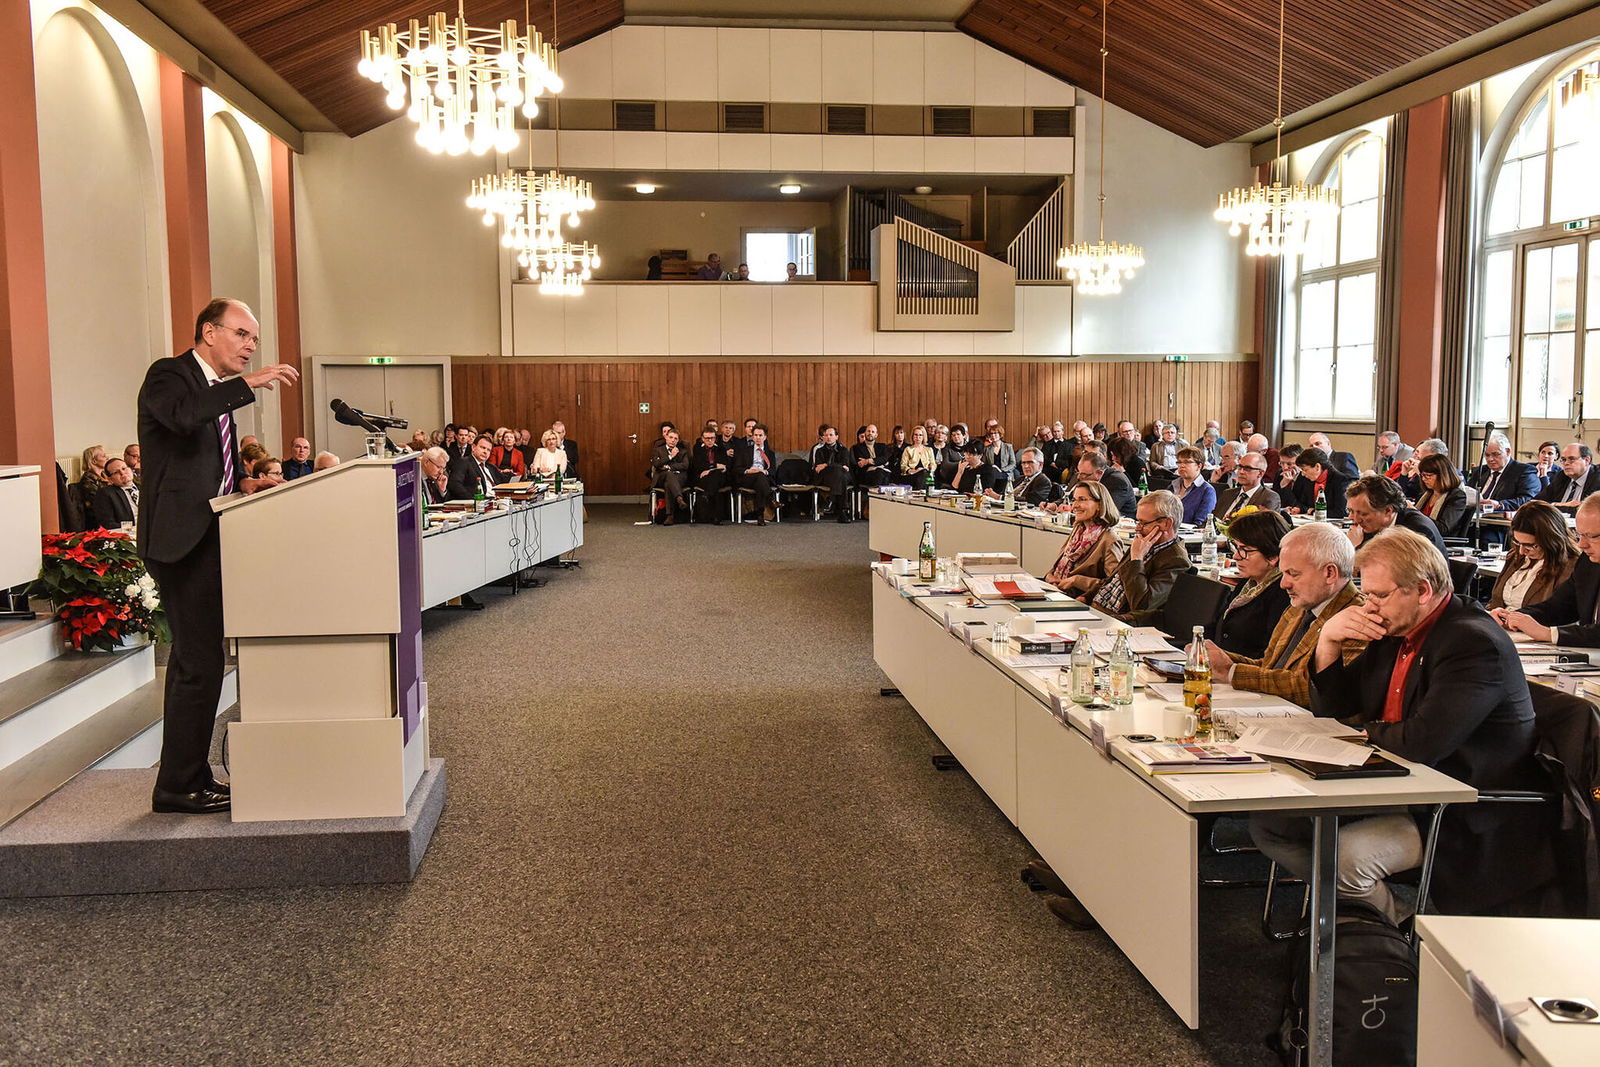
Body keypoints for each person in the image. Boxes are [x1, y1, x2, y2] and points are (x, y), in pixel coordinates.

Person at [1255, 529, 1548, 920]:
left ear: (1422, 591)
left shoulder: (1472, 643)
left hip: (1463, 807)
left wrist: (1363, 736)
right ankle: (1382, 919)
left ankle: (1400, 934)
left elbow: (1423, 742)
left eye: (1379, 595)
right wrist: (1328, 643)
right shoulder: (1397, 626)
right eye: (1367, 594)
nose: (1369, 607)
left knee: (1347, 859)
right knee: (1271, 825)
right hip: (1403, 783)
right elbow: (1338, 707)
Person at [137, 298, 299, 814]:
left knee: (200, 661)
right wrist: (245, 385)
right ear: (209, 332)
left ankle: (189, 776)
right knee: (199, 663)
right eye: (242, 334)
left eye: (255, 339)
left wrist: (241, 484)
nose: (251, 346)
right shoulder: (170, 375)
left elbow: (201, 467)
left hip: (210, 534)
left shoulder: (214, 392)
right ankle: (177, 786)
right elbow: (182, 419)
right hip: (180, 540)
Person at [1199, 522, 1364, 705]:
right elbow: (1269, 666)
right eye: (1283, 573)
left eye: (1293, 574)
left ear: (1330, 573)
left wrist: (1232, 672)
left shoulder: (1357, 619)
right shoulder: (1300, 605)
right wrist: (1222, 659)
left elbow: (1317, 690)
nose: (1283, 584)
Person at [1497, 493, 1600, 645]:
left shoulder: (1576, 561)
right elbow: (1559, 607)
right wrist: (1511, 617)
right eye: (1580, 535)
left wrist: (1547, 633)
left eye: (1591, 536)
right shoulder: (1588, 562)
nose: (1581, 544)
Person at [1091, 490, 1190, 624]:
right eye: (1138, 522)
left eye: (1143, 523)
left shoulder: (1177, 561)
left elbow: (1142, 605)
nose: (1137, 528)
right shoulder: (1144, 543)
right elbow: (1112, 581)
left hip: (1117, 622)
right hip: (1095, 609)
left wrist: (1137, 559)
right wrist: (1085, 598)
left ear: (1166, 524)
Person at [1210, 510, 1293, 660]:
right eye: (1236, 547)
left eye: (1245, 550)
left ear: (1273, 556)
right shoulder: (1248, 583)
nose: (1236, 556)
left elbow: (1268, 656)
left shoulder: (1283, 595)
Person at [1486, 501, 1578, 611]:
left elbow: (1559, 614)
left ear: (1551, 540)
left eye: (1530, 545)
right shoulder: (1515, 555)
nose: (1522, 551)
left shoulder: (1570, 567)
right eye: (1517, 542)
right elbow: (1494, 601)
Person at [1042, 482, 1122, 598]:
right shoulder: (1079, 530)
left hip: (1080, 600)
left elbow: (1115, 587)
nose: (1074, 505)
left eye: (1082, 500)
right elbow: (1060, 564)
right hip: (1057, 592)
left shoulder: (1110, 540)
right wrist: (1049, 576)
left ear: (1099, 505)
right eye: (1074, 500)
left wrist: (1077, 581)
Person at [1344, 473, 1448, 554]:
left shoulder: (1418, 531)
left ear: (1388, 511)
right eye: (1350, 511)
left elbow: (1393, 572)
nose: (1353, 519)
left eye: (1362, 513)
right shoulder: (1368, 526)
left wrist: (1353, 547)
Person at [1467, 432, 1540, 513]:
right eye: (1487, 455)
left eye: (1495, 454)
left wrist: (1500, 505)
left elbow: (1527, 500)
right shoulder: (1480, 471)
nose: (1490, 459)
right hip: (1473, 516)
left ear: (1507, 451)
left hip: (1500, 518)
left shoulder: (1524, 471)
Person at [1286, 447, 1353, 518]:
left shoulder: (1341, 480)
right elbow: (1303, 503)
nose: (1302, 474)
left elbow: (1341, 512)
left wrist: (1314, 511)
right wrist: (1299, 508)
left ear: (1317, 467)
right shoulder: (1307, 479)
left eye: (1305, 470)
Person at [1413, 453, 1469, 538]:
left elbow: (1444, 529)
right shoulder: (1425, 494)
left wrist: (1415, 513)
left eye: (1428, 475)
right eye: (1422, 475)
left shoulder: (1456, 496)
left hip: (1437, 540)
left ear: (1443, 475)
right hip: (1420, 537)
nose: (1423, 479)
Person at [1212, 451, 1281, 520]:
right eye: (1240, 467)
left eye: (1247, 469)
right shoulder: (1228, 493)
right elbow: (1213, 519)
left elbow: (1265, 525)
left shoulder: (1269, 497)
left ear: (1260, 473)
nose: (1241, 472)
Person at [1535, 442, 1600, 510]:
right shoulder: (1562, 476)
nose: (1566, 463)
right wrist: (1559, 504)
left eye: (1571, 459)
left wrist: (1555, 507)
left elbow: (1591, 510)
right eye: (1564, 460)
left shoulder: (1597, 479)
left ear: (1586, 460)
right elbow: (1536, 502)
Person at [1070, 451, 1136, 518]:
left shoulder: (1117, 482)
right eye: (1078, 472)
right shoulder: (1085, 476)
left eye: (1084, 474)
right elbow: (1071, 498)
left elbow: (1107, 511)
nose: (1079, 477)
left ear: (1099, 473)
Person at [734, 423, 776, 525]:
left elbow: (773, 470)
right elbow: (737, 468)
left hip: (762, 479)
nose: (757, 438)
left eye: (760, 435)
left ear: (765, 437)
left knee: (760, 480)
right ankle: (770, 499)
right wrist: (748, 470)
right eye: (755, 435)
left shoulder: (770, 453)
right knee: (760, 477)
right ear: (752, 437)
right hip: (747, 478)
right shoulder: (744, 451)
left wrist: (765, 471)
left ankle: (760, 516)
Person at [809, 424, 853, 523]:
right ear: (823, 437)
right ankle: (842, 510)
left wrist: (826, 465)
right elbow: (818, 468)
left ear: (836, 437)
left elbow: (845, 465)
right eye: (826, 435)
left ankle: (832, 500)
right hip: (826, 477)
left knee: (839, 474)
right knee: (839, 473)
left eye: (831, 435)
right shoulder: (819, 451)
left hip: (841, 475)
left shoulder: (843, 450)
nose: (828, 437)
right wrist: (836, 466)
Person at [689, 427, 730, 523]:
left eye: (712, 438)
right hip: (703, 477)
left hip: (720, 476)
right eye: (707, 438)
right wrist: (715, 466)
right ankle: (717, 517)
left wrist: (710, 469)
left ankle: (706, 496)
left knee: (715, 475)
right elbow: (698, 465)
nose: (710, 440)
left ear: (715, 438)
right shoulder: (698, 448)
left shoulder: (721, 448)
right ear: (702, 438)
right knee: (714, 484)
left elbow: (724, 465)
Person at [650, 428, 689, 524]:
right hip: (661, 477)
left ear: (678, 440)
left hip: (678, 478)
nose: (673, 440)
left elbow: (685, 465)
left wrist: (669, 467)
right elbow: (656, 464)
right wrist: (670, 456)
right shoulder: (658, 450)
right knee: (668, 475)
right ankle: (679, 498)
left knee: (668, 484)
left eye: (675, 438)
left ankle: (669, 516)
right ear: (666, 438)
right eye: (671, 437)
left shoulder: (683, 451)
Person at [1171, 446, 1216, 526]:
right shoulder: (1172, 486)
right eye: (1179, 462)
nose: (1182, 465)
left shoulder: (1207, 491)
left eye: (1187, 462)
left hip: (1190, 532)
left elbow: (1200, 524)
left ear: (1199, 466)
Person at [90, 456, 139, 529]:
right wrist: (132, 528)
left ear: (130, 469)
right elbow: (108, 524)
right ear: (110, 479)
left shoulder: (145, 487)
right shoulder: (105, 494)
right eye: (116, 472)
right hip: (129, 532)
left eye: (124, 468)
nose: (122, 473)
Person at [448, 434, 501, 499]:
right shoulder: (464, 462)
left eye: (488, 450)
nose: (485, 452)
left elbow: (503, 482)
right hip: (478, 501)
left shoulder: (491, 468)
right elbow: (455, 484)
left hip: (498, 500)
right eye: (483, 448)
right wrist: (474, 500)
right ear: (473, 447)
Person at [851, 424, 893, 488]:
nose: (870, 433)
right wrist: (878, 462)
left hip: (883, 472)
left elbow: (884, 459)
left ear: (876, 435)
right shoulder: (857, 447)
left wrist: (868, 461)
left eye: (873, 432)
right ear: (865, 433)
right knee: (881, 475)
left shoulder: (882, 446)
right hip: (867, 474)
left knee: (883, 475)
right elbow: (861, 463)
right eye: (868, 431)